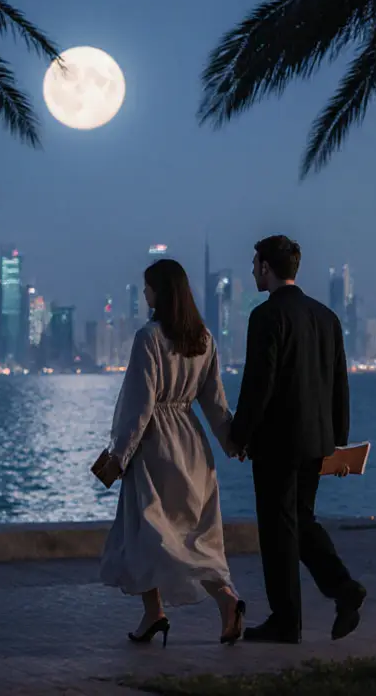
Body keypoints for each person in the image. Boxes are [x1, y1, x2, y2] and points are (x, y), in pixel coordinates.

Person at [96, 258, 246, 647]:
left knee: (147, 532)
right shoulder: (205, 339)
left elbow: (139, 406)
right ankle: (225, 599)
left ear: (160, 292)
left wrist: (119, 455)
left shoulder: (149, 338)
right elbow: (215, 402)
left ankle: (154, 612)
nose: (144, 293)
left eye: (148, 287)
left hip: (154, 447)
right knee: (197, 533)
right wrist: (231, 443)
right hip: (192, 444)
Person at [229, 235, 366, 644]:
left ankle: (286, 620)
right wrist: (338, 443)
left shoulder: (266, 317)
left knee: (277, 530)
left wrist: (240, 435)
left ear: (268, 268)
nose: (253, 270)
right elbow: (339, 385)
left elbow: (259, 385)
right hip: (316, 442)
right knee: (300, 520)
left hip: (276, 444)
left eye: (256, 263)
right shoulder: (326, 317)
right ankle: (343, 588)